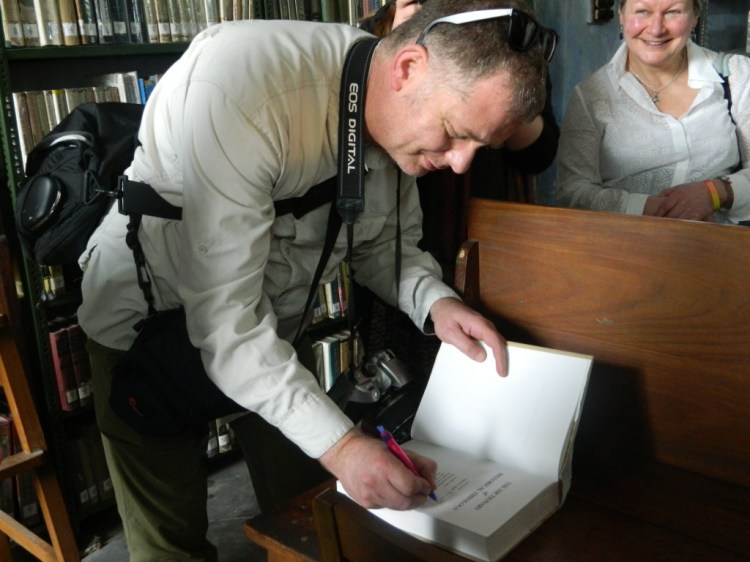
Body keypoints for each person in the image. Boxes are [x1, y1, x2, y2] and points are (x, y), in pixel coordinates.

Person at [78, 0, 549, 559]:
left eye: (481, 147)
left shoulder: (401, 118)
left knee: (308, 518)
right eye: (454, 133)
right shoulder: (245, 86)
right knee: (169, 546)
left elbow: (383, 246)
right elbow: (227, 328)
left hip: (272, 329)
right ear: (407, 68)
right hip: (149, 329)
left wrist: (437, 304)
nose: (461, 163)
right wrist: (343, 446)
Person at [556, 0, 750, 224]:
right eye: (642, 11)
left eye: (672, 12)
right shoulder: (591, 95)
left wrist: (714, 192)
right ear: (621, 15)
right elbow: (571, 192)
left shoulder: (737, 76)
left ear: (695, 17)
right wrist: (649, 208)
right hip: (627, 241)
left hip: (722, 241)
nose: (656, 29)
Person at [362, 0, 560, 185]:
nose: (460, 164)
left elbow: (540, 156)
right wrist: (399, 43)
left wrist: (503, 97)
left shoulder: (516, 31)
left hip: (478, 190)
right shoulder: (383, 24)